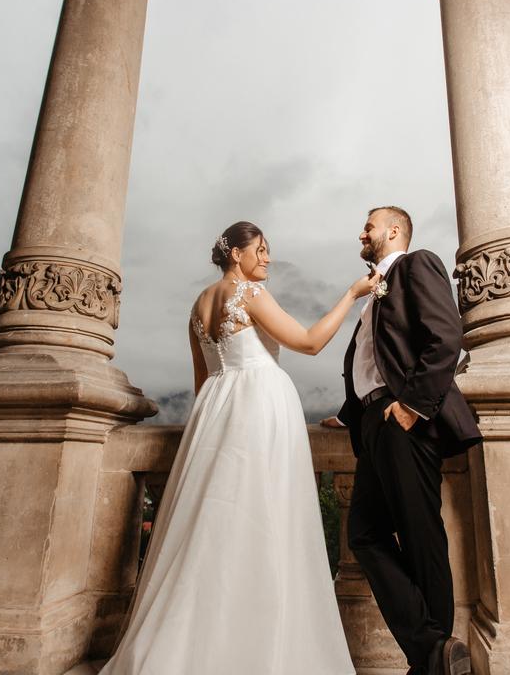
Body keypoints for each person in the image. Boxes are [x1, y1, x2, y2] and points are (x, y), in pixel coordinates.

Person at [100, 220, 380, 675]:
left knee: (211, 525)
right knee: (264, 517)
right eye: (262, 250)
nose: (267, 258)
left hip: (216, 410)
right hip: (259, 406)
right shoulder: (248, 294)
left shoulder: (198, 304)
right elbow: (309, 343)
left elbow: (201, 379)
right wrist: (351, 294)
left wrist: (210, 423)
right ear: (237, 254)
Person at [323, 206, 482, 675]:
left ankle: (432, 657)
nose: (361, 233)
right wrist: (350, 414)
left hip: (406, 416)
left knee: (419, 532)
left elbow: (445, 337)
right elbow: (373, 358)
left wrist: (412, 406)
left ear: (393, 231)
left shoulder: (417, 265)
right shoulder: (374, 293)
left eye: (368, 226)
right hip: (374, 421)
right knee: (365, 534)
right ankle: (433, 649)